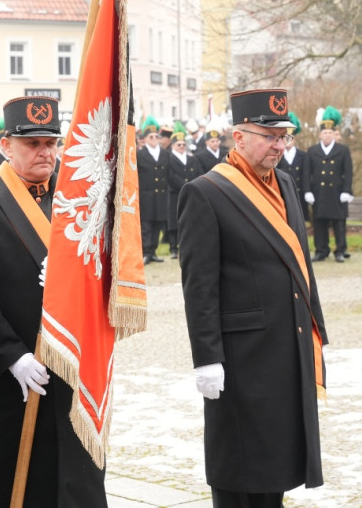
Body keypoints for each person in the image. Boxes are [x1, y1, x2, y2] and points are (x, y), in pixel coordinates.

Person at [0, 95, 108, 508]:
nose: (45, 153)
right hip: (14, 373)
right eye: (32, 144)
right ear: (6, 144)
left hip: (71, 364)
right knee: (23, 480)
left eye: (51, 143)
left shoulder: (77, 199)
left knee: (74, 480)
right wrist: (13, 356)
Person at [177, 87, 327, 507]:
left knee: (275, 465)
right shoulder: (206, 192)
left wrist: (313, 329)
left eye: (284, 136)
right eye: (269, 135)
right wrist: (207, 357)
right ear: (238, 137)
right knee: (238, 467)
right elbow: (199, 285)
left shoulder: (285, 183)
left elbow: (300, 264)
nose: (279, 145)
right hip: (240, 357)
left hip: (285, 347)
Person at [303, 106, 354, 263]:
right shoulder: (312, 151)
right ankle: (321, 250)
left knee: (338, 223)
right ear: (320, 134)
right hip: (319, 192)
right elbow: (306, 173)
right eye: (324, 133)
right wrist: (307, 191)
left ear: (334, 134)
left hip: (337, 192)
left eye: (330, 133)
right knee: (319, 223)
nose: (327, 135)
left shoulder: (343, 150)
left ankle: (340, 250)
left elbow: (348, 172)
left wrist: (347, 190)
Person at [137, 118, 169, 264]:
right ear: (145, 138)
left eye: (156, 136)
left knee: (158, 224)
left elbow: (168, 173)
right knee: (146, 225)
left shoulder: (164, 154)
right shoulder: (140, 154)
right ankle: (146, 252)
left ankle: (154, 251)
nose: (154, 139)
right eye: (151, 137)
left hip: (161, 195)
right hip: (146, 194)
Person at [166, 131, 201, 259]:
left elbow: (198, 173)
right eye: (178, 144)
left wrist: (193, 186)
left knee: (188, 220)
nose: (181, 147)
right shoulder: (169, 158)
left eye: (183, 144)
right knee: (174, 221)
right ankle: (173, 248)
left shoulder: (192, 159)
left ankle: (186, 247)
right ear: (173, 146)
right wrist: (185, 185)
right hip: (175, 193)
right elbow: (170, 176)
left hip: (190, 194)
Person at [275, 111, 309, 222]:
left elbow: (307, 176)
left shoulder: (303, 155)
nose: (289, 141)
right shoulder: (276, 155)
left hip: (299, 196)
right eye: (286, 137)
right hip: (282, 195)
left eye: (292, 137)